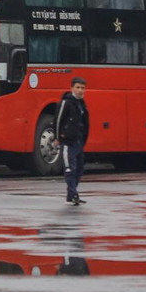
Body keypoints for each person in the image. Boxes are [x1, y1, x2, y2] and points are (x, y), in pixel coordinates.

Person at [56, 77, 90, 206]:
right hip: (68, 141)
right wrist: (58, 137)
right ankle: (74, 193)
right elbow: (58, 119)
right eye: (78, 87)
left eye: (82, 88)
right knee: (69, 168)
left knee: (79, 168)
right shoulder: (66, 102)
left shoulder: (82, 104)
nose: (80, 90)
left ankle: (71, 195)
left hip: (79, 141)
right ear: (72, 89)